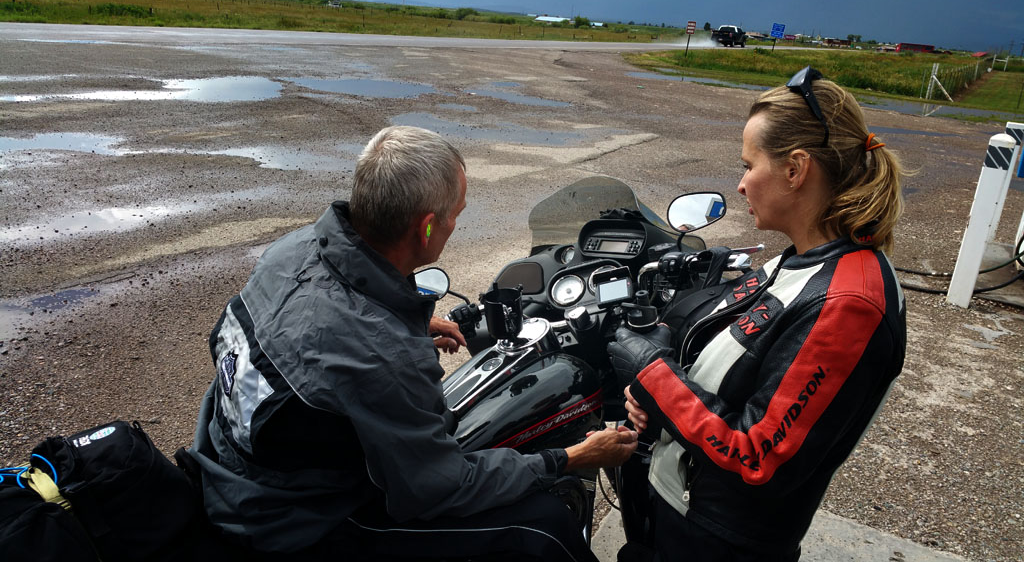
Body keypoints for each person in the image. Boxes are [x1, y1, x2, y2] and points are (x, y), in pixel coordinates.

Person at [188, 126, 638, 561]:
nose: (455, 225)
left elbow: (302, 329)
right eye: (456, 214)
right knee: (544, 526)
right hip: (293, 520)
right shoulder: (379, 355)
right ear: (426, 227)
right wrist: (570, 457)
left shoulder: (293, 249)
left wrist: (409, 324)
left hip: (228, 466)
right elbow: (441, 487)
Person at [609, 67, 907, 561]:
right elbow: (731, 361)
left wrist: (651, 373)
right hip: (686, 503)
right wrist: (658, 393)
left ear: (795, 169)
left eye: (749, 165)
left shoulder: (848, 304)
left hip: (716, 536)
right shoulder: (800, 257)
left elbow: (757, 455)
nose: (742, 184)